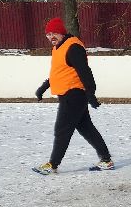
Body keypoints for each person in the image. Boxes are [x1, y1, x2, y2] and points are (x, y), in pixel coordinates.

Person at [33, 17, 114, 174]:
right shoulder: (59, 47)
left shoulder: (73, 47)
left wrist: (91, 94)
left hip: (74, 95)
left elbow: (85, 72)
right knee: (86, 129)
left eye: (54, 33)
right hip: (69, 95)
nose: (51, 37)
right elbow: (59, 72)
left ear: (62, 32)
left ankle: (52, 164)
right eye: (48, 34)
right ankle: (106, 160)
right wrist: (43, 88)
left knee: (62, 129)